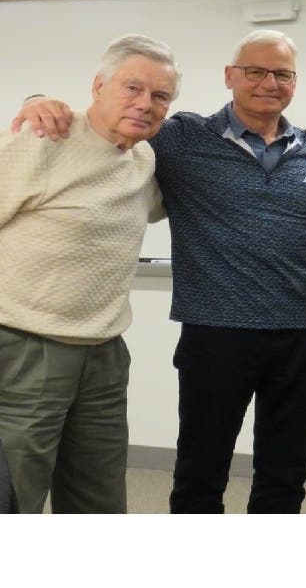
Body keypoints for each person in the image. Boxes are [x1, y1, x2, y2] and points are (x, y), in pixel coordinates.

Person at [15, 29, 306, 513]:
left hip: (298, 330)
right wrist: (38, 100)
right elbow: (104, 125)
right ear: (230, 76)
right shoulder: (179, 137)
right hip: (211, 332)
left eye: (282, 73)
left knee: (285, 474)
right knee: (199, 474)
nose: (268, 82)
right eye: (255, 71)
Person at [0, 34, 179, 513]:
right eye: (132, 88)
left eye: (160, 97)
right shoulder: (40, 138)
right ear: (98, 87)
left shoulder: (143, 159)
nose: (145, 104)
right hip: (25, 347)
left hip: (103, 353)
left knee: (99, 498)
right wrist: (35, 100)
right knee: (14, 493)